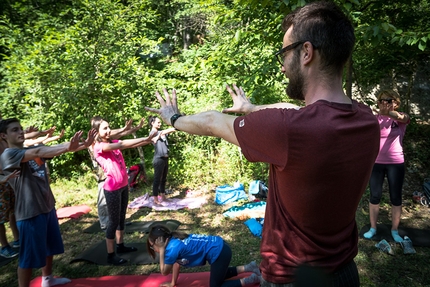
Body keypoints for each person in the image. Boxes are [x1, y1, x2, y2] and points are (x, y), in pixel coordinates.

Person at [145, 1, 381, 286]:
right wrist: (251, 107)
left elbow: (212, 121)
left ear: (306, 52)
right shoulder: (366, 119)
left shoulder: (289, 130)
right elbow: (297, 112)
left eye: (285, 52)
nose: (283, 65)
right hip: (344, 273)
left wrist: (173, 118)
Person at [0, 118, 96, 287]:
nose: (20, 132)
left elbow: (50, 150)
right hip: (29, 213)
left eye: (21, 128)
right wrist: (69, 147)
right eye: (15, 130)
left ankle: (47, 278)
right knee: (27, 258)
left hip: (46, 207)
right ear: (3, 136)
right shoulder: (8, 154)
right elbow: (38, 153)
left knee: (50, 246)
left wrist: (83, 144)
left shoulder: (30, 149)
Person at [91, 117, 154, 265]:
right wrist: (146, 137)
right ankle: (111, 255)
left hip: (123, 186)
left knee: (121, 219)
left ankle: (120, 246)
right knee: (113, 222)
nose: (108, 130)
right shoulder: (100, 147)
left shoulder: (112, 143)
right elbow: (125, 144)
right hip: (112, 189)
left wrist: (150, 140)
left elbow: (131, 142)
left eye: (109, 127)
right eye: (104, 128)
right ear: (97, 132)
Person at [147, 224, 261, 287]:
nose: (154, 249)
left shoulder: (171, 249)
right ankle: (250, 267)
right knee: (218, 275)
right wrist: (172, 283)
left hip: (220, 252)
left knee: (215, 285)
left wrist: (162, 250)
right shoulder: (174, 239)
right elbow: (176, 264)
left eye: (153, 246)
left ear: (160, 241)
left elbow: (164, 272)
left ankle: (252, 279)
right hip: (221, 246)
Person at [363, 90, 410, 242]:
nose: (385, 103)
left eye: (389, 100)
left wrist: (388, 114)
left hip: (395, 164)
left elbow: (404, 117)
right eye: (382, 100)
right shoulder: (375, 119)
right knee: (374, 196)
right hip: (376, 163)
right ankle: (373, 228)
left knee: (395, 197)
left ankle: (395, 230)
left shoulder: (400, 118)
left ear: (396, 103)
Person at [88, 117, 145, 230]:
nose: (108, 130)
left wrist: (133, 128)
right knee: (103, 202)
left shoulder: (107, 138)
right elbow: (120, 140)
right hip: (103, 176)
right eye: (104, 127)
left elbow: (121, 135)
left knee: (115, 207)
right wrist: (125, 129)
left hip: (115, 177)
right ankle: (105, 224)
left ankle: (116, 223)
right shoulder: (94, 141)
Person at [148, 116, 176, 204]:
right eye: (158, 122)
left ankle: (163, 197)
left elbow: (166, 132)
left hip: (165, 158)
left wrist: (176, 127)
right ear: (152, 123)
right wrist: (174, 127)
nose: (160, 124)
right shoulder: (153, 133)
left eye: (160, 122)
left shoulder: (160, 132)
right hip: (158, 159)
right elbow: (165, 131)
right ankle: (155, 199)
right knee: (157, 179)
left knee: (163, 178)